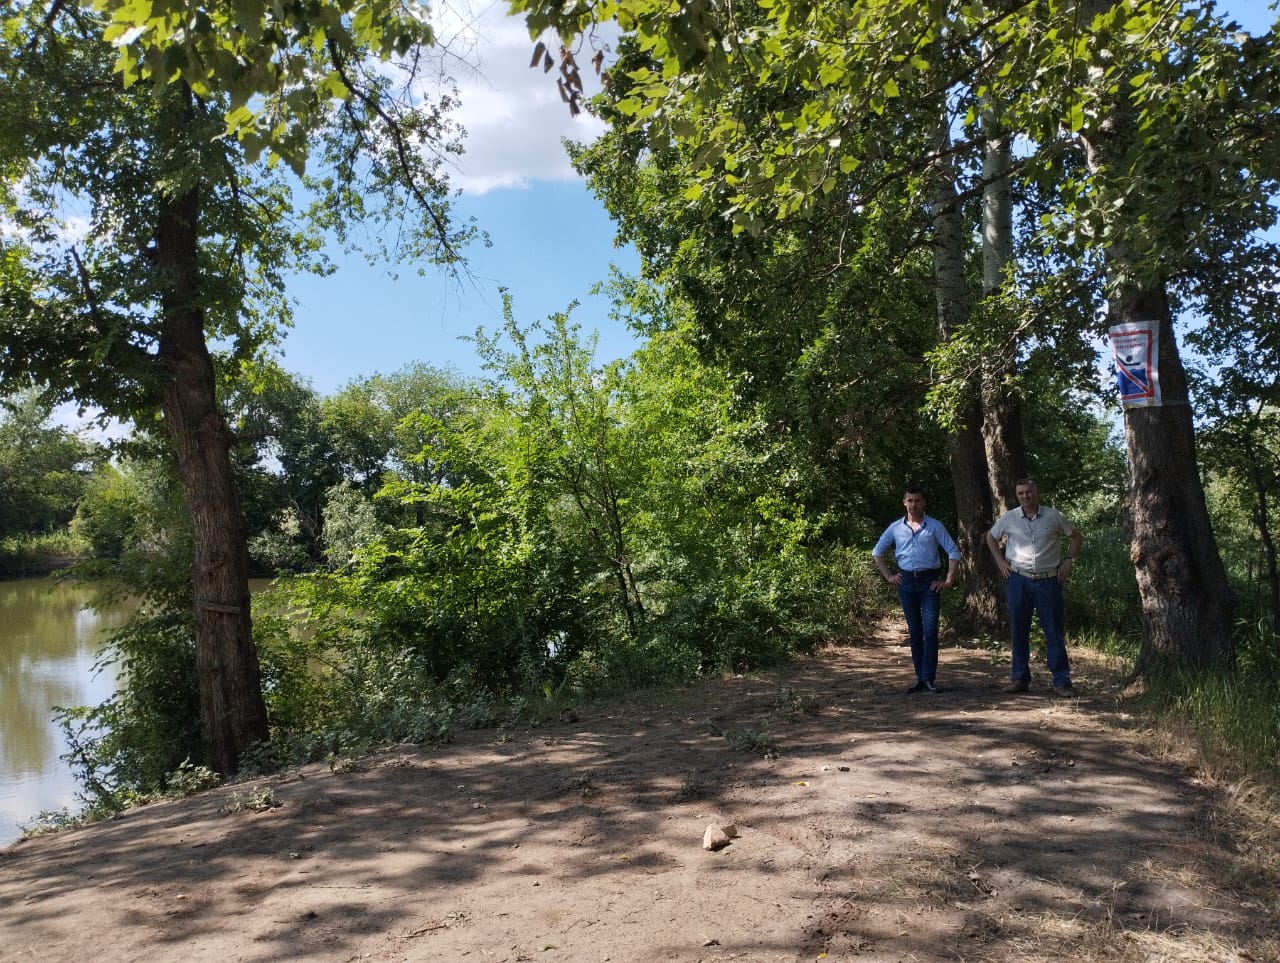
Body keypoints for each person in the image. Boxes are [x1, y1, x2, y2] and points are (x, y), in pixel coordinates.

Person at [984, 478, 1084, 697]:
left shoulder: (1053, 516)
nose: (1025, 497)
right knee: (1019, 629)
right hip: (1018, 580)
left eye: (1028, 492)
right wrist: (1001, 562)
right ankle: (1020, 678)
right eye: (1020, 493)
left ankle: (1061, 681)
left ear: (1036, 493)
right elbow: (991, 537)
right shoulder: (1009, 518)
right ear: (1017, 495)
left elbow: (1076, 537)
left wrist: (1069, 560)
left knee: (1053, 630)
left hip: (1049, 580)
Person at [873, 487, 962, 693]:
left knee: (930, 631)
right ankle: (919, 678)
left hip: (929, 582)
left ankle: (929, 678)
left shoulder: (934, 526)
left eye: (917, 501)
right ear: (904, 503)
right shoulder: (896, 528)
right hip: (906, 582)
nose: (914, 504)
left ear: (923, 502)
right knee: (914, 632)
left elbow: (953, 551)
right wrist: (889, 576)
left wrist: (948, 580)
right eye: (910, 501)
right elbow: (877, 552)